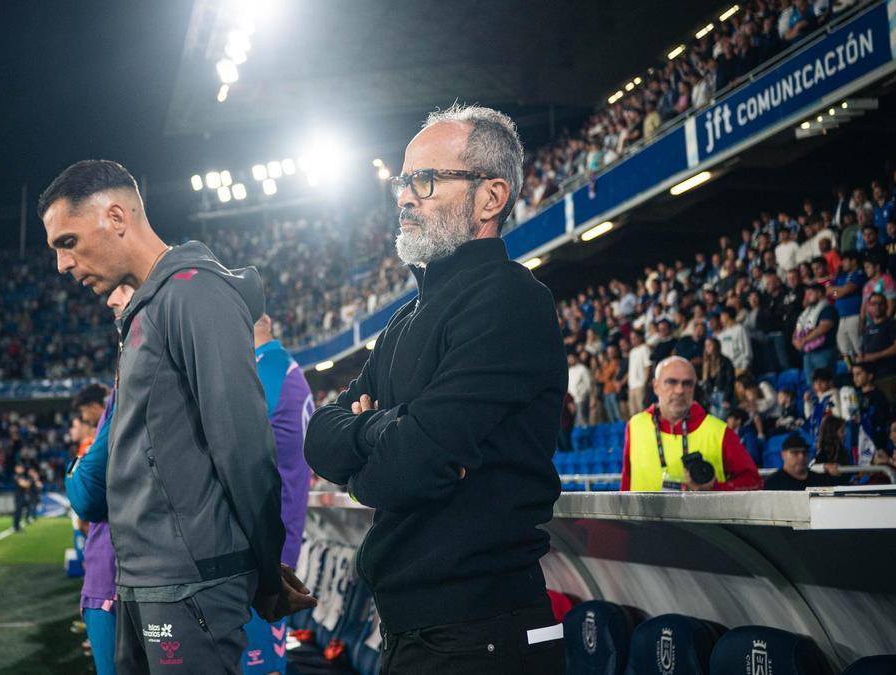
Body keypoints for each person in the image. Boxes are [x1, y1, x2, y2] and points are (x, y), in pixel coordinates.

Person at [304, 104, 568, 673]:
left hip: (483, 632)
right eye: (403, 181)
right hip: (413, 627)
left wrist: (375, 443)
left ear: (490, 198)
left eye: (424, 180)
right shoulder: (403, 319)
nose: (404, 196)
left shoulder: (511, 300)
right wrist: (388, 428)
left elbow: (408, 466)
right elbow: (320, 436)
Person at [39, 159, 312, 674]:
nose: (62, 265)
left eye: (67, 242)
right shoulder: (151, 306)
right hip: (146, 580)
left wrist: (267, 571)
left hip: (191, 585)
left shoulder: (194, 291)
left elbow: (244, 446)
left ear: (115, 216)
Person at [242, 314, 314, 675]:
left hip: (265, 550)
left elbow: (235, 449)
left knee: (260, 665)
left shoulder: (267, 369)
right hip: (274, 540)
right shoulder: (279, 367)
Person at [67, 285, 133, 675]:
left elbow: (87, 495)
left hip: (113, 573)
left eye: (122, 291)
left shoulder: (125, 390)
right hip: (132, 572)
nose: (110, 300)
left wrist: (72, 471)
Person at [621, 356, 763, 491]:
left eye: (687, 383)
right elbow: (626, 484)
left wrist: (714, 488)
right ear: (655, 386)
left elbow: (754, 482)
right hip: (641, 517)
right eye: (671, 382)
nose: (679, 390)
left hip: (700, 517)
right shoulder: (635, 426)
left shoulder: (718, 431)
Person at [857, 292, 896, 403]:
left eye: (880, 304)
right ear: (869, 307)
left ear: (886, 306)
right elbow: (864, 350)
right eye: (873, 304)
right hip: (871, 378)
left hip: (888, 375)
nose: (877, 307)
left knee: (889, 406)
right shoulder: (868, 327)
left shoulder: (892, 324)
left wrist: (875, 356)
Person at [763, 432, 846, 490]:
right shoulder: (773, 484)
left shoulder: (820, 480)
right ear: (783, 455)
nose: (801, 456)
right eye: (795, 452)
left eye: (805, 452)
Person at [793, 284, 839, 384]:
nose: (807, 297)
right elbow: (798, 328)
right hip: (807, 353)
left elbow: (824, 327)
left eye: (810, 293)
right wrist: (795, 341)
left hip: (824, 351)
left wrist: (804, 340)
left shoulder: (827, 309)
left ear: (819, 293)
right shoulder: (806, 312)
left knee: (825, 383)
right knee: (811, 384)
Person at [829, 250, 866, 359]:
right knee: (845, 351)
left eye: (844, 261)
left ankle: (864, 370)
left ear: (853, 261)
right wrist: (840, 291)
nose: (842, 263)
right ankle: (851, 372)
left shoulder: (859, 274)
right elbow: (832, 293)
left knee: (858, 348)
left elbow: (848, 289)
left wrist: (839, 291)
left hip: (854, 316)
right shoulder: (841, 277)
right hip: (840, 318)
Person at [627, 331, 653, 416]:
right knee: (633, 413)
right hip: (632, 386)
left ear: (640, 337)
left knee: (642, 411)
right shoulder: (632, 352)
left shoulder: (645, 349)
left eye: (634, 338)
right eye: (631, 339)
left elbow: (648, 366)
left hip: (640, 384)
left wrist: (644, 383)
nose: (632, 340)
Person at [12, 465, 31, 533]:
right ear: (16, 469)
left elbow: (27, 485)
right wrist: (26, 483)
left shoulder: (22, 476)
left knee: (21, 511)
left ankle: (18, 525)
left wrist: (26, 483)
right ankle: (15, 526)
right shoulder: (17, 476)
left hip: (22, 496)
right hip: (18, 496)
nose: (21, 469)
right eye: (19, 468)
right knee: (18, 512)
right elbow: (24, 484)